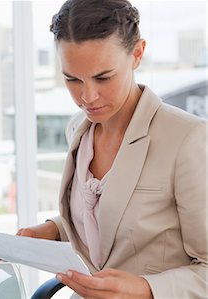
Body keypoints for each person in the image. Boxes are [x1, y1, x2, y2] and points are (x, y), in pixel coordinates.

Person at [17, 0, 208, 298]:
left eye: (103, 77)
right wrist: (56, 229)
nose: (87, 96)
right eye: (72, 79)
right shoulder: (78, 129)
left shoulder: (188, 139)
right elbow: (113, 220)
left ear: (137, 54)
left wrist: (145, 289)